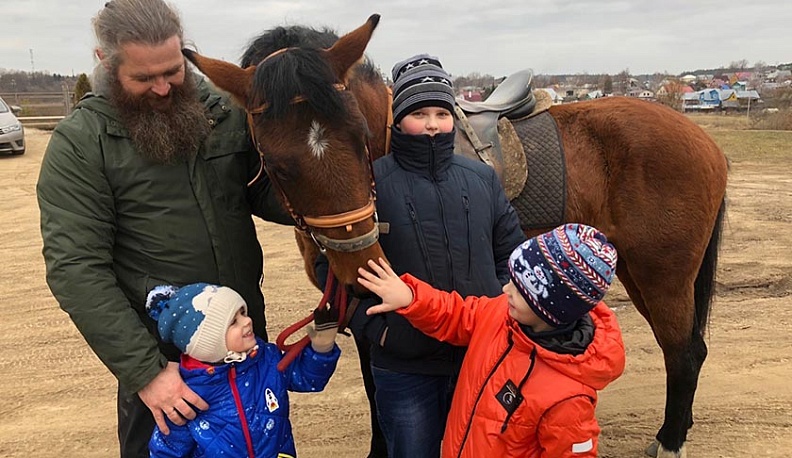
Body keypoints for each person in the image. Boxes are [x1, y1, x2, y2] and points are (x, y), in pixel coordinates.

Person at [35, 1, 292, 456]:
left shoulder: (221, 114)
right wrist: (147, 375)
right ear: (105, 62)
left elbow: (264, 194)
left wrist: (327, 193)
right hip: (164, 364)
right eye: (143, 77)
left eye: (172, 71)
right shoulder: (83, 142)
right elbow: (77, 269)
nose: (161, 88)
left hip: (242, 344)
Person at [341, 54, 527, 458]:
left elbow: (511, 254)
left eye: (441, 112)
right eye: (419, 112)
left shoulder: (481, 178)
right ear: (398, 120)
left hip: (480, 358)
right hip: (405, 367)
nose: (431, 124)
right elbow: (337, 269)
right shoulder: (372, 184)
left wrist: (496, 308)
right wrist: (380, 330)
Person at [358, 223, 626, 458]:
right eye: (512, 280)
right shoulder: (500, 314)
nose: (505, 289)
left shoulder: (569, 401)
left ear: (551, 309)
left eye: (520, 290)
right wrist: (411, 298)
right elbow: (457, 313)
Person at [144, 282, 340, 457]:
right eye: (233, 322)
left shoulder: (267, 360)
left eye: (243, 313)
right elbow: (166, 451)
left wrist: (322, 348)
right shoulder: (186, 394)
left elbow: (307, 378)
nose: (247, 321)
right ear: (208, 342)